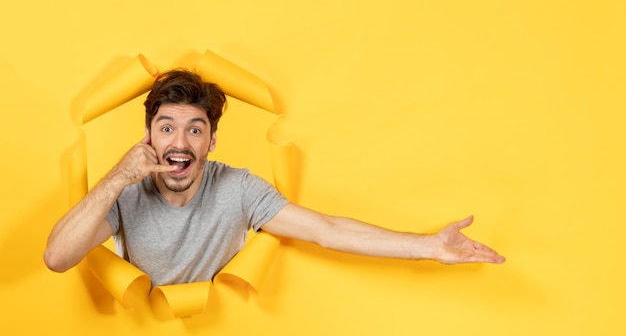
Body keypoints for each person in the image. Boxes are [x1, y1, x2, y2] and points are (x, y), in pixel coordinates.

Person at [44, 69, 505, 286]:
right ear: (148, 136)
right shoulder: (125, 195)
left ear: (212, 141)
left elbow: (327, 230)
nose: (179, 142)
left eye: (194, 129)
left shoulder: (239, 189)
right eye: (166, 128)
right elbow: (58, 258)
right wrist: (116, 178)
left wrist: (428, 246)